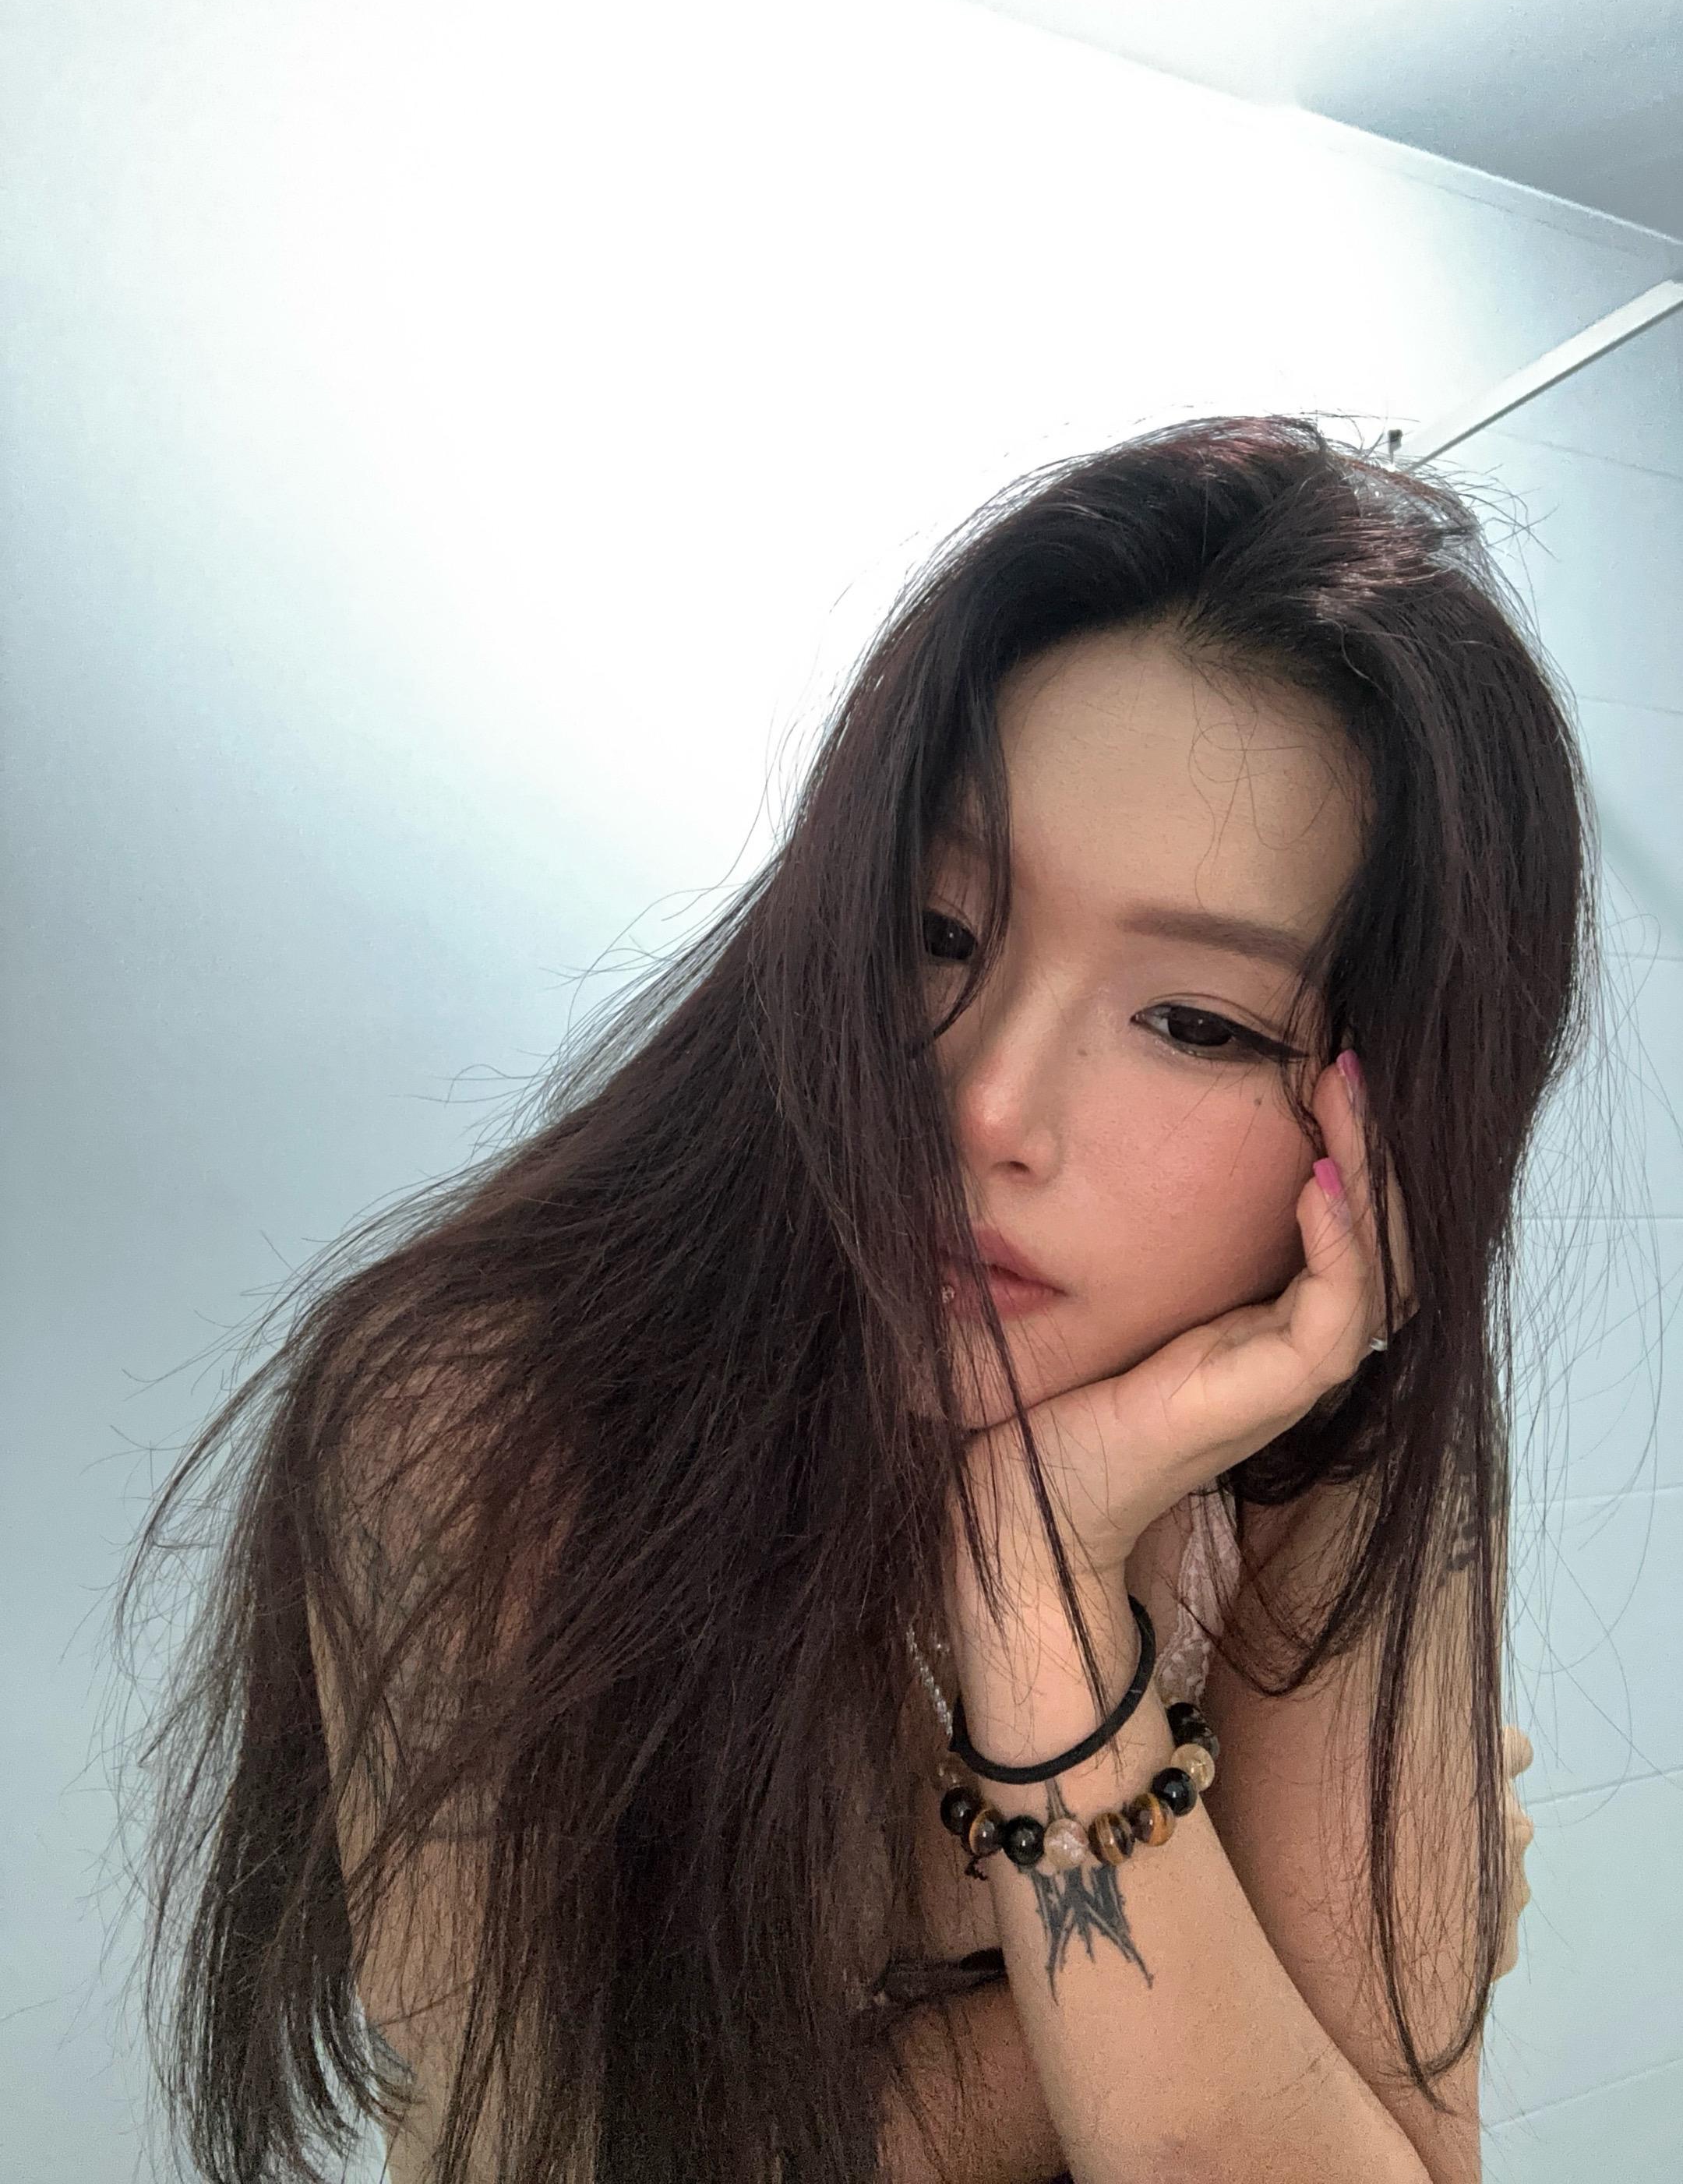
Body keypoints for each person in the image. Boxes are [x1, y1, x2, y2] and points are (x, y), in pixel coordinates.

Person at [114, 415, 1576, 2184]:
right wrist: (1213, 1944)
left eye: (1195, 1022)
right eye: (941, 933)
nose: (984, 1101)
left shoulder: (1326, 1430)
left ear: (1389, 1115)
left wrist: (1034, 1588)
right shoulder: (484, 1408)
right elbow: (549, 2152)